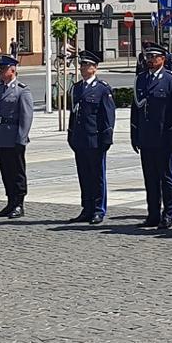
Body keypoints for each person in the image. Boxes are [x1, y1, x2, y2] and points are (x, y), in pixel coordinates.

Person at [132, 44, 172, 228]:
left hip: (164, 138)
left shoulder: (171, 80)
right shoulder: (141, 79)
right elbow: (136, 109)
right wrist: (134, 134)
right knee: (150, 178)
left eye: (155, 57)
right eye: (149, 57)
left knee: (166, 177)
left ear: (163, 59)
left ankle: (168, 214)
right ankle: (152, 213)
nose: (151, 60)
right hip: (146, 137)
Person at [68, 54, 116, 224]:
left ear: (95, 68)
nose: (82, 68)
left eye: (87, 65)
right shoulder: (76, 88)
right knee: (84, 175)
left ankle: (98, 209)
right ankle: (86, 207)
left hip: (95, 139)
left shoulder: (102, 88)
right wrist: (71, 135)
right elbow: (74, 115)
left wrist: (107, 138)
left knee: (97, 176)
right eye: (81, 65)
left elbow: (108, 116)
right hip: (80, 139)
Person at [0, 56, 34, 218]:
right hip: (2, 136)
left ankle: (19, 203)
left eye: (4, 69)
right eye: (0, 69)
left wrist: (21, 138)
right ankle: (10, 201)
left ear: (13, 70)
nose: (1, 72)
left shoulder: (22, 90)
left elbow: (26, 117)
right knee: (6, 171)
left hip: (14, 136)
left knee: (17, 172)